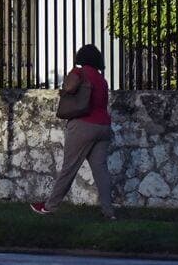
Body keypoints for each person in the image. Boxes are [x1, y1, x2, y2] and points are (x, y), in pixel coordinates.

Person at [31, 44, 115, 219]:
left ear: (81, 57)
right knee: (101, 170)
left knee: (69, 167)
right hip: (103, 127)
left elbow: (69, 88)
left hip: (83, 125)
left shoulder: (79, 72)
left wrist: (63, 90)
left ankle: (49, 206)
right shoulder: (102, 80)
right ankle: (109, 212)